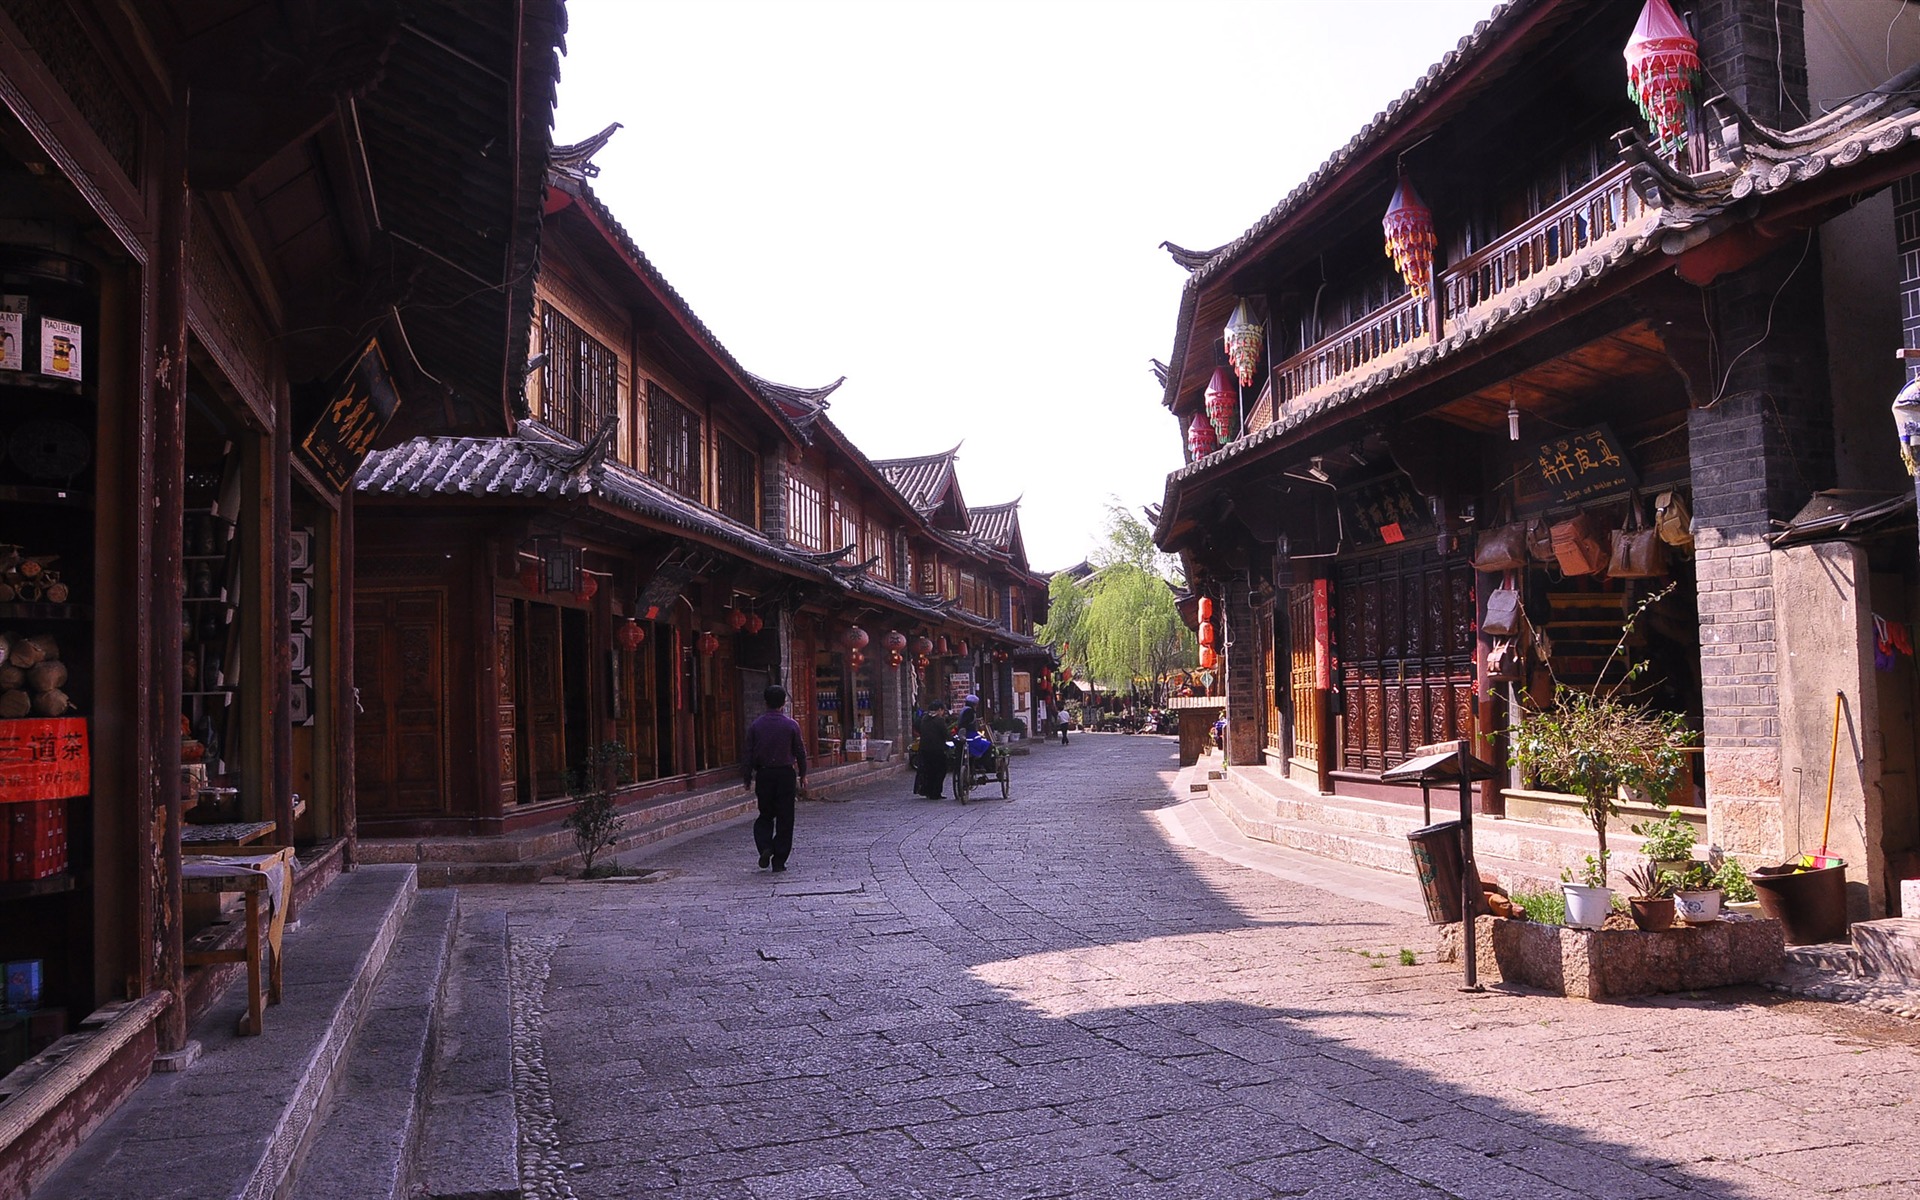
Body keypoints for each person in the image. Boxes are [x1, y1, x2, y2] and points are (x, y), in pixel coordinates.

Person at [743, 684, 807, 872]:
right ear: (784, 703)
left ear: (765, 702)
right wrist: (803, 774)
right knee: (785, 818)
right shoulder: (791, 725)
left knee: (765, 815)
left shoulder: (756, 725)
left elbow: (748, 753)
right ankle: (779, 860)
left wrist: (747, 777)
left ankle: (765, 846)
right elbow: (800, 752)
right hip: (785, 774)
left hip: (765, 774)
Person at [915, 701, 951, 799]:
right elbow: (946, 734)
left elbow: (918, 727)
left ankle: (928, 791)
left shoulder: (924, 718)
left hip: (924, 748)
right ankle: (936, 793)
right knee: (940, 770)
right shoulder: (939, 720)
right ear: (939, 710)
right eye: (943, 710)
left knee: (928, 771)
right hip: (937, 749)